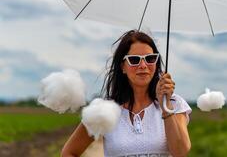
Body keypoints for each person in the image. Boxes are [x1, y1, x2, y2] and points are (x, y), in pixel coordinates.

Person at [61, 30, 192, 157]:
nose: (143, 65)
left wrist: (165, 106)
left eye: (150, 58)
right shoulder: (105, 110)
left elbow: (180, 152)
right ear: (123, 66)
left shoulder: (174, 104)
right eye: (134, 60)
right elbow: (69, 152)